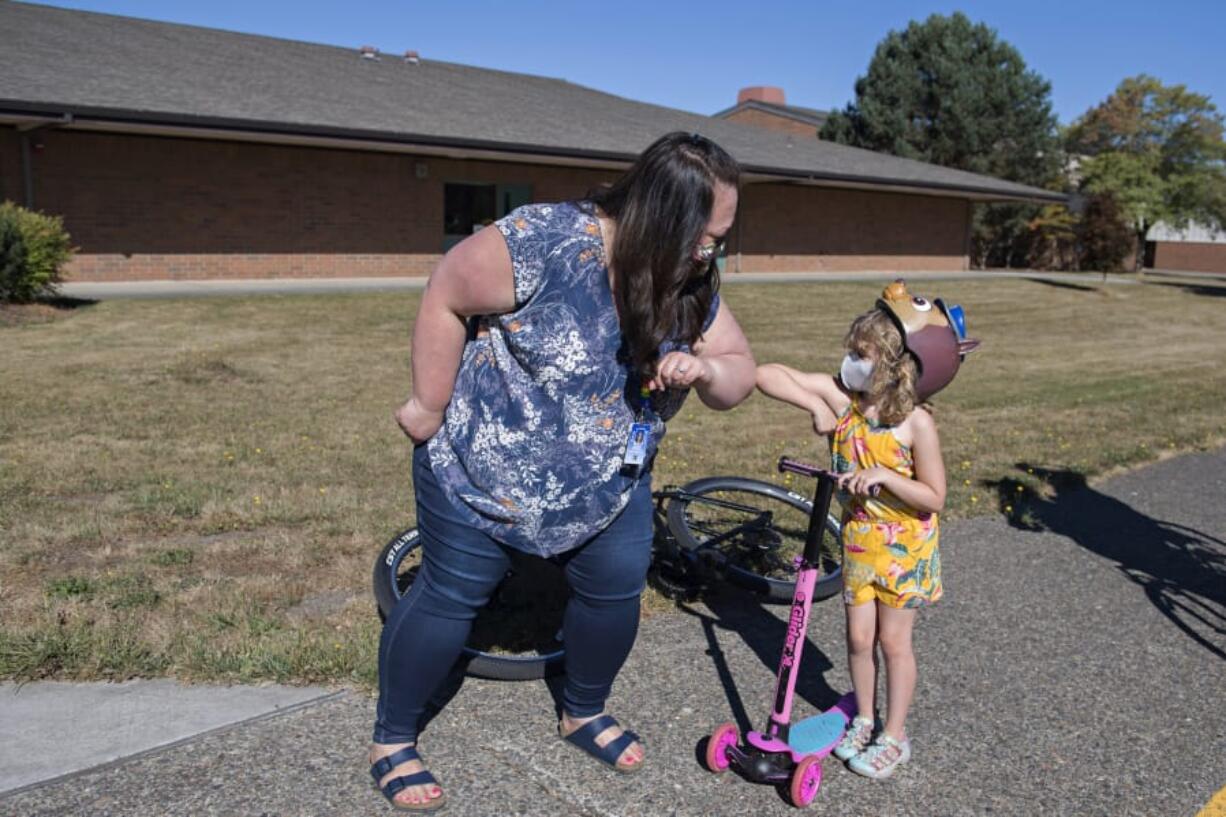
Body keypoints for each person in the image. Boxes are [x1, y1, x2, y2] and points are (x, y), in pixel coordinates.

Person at [370, 132, 757, 810]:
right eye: (707, 235)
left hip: (608, 483)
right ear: (664, 218)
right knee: (452, 594)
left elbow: (737, 375)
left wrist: (709, 369)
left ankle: (582, 708)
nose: (713, 251)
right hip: (482, 468)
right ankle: (393, 737)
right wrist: (428, 403)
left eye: (720, 238)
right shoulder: (544, 241)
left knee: (614, 588)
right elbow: (446, 293)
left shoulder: (689, 281)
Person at [755, 280, 978, 780]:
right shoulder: (845, 402)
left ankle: (895, 735)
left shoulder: (916, 423)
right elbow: (765, 374)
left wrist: (887, 476)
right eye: (852, 351)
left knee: (893, 644)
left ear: (898, 364)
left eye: (863, 353)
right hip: (859, 539)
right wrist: (813, 406)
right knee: (858, 639)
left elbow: (936, 497)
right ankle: (863, 717)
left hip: (905, 545)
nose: (851, 361)